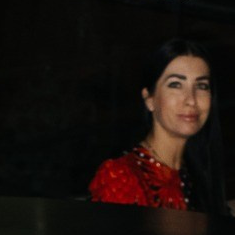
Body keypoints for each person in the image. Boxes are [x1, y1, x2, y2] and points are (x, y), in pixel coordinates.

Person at [89, 39, 226, 212]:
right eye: (176, 85)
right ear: (149, 99)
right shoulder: (121, 177)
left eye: (201, 86)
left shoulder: (200, 173)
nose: (191, 100)